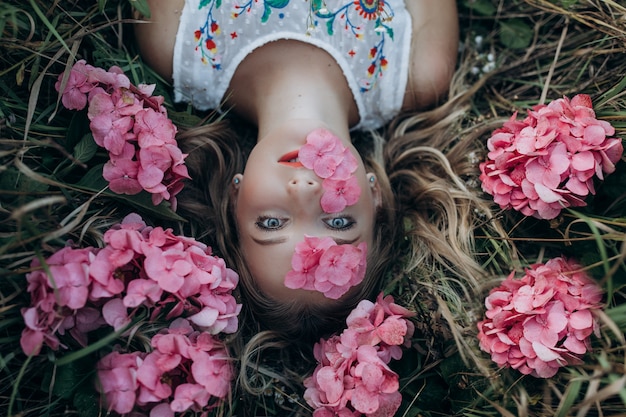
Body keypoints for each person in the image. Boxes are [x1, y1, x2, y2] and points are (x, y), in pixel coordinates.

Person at [133, 0, 494, 405]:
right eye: (339, 222)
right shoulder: (417, 71)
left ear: (235, 195)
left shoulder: (175, 43)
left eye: (271, 223)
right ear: (375, 194)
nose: (304, 190)